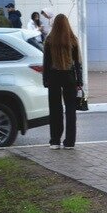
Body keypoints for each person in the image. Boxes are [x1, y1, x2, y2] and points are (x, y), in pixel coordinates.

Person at [42, 14, 83, 150]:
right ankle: (70, 142)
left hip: (54, 76)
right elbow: (78, 63)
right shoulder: (73, 40)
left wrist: (45, 80)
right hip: (69, 77)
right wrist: (79, 82)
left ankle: (55, 141)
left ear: (54, 25)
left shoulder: (49, 40)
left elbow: (46, 63)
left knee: (55, 109)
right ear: (67, 24)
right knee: (71, 109)